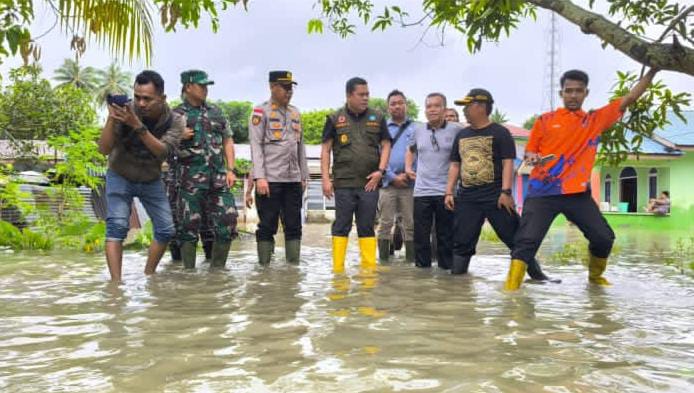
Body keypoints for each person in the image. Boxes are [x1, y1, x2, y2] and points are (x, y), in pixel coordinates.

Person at [505, 68, 659, 290]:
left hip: (577, 195)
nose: (573, 95)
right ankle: (510, 290)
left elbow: (630, 98)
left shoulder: (594, 121)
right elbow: (529, 153)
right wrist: (533, 157)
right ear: (562, 94)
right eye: (569, 91)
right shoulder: (545, 121)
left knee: (604, 237)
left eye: (578, 91)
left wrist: (653, 71)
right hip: (542, 193)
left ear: (586, 93)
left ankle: (595, 279)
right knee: (526, 242)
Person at [444, 88, 555, 281]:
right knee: (462, 241)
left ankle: (538, 277)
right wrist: (448, 192)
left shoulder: (500, 133)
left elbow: (508, 163)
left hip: (496, 197)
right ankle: (458, 281)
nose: (464, 111)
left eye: (467, 106)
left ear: (480, 107)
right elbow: (455, 165)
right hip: (467, 197)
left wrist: (506, 192)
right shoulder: (462, 135)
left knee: (515, 237)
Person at [98, 70, 183, 282]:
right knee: (116, 227)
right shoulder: (125, 111)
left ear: (162, 98)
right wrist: (111, 118)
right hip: (120, 174)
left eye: (147, 98)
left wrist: (136, 125)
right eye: (137, 97)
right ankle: (116, 286)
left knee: (166, 229)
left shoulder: (175, 120)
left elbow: (162, 152)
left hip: (150, 179)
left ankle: (148, 276)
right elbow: (104, 149)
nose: (141, 103)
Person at [321, 77, 392, 272]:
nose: (366, 98)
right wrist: (326, 179)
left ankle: (368, 273)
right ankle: (338, 272)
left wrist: (381, 171)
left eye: (367, 94)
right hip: (343, 183)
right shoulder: (334, 118)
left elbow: (386, 145)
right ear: (349, 95)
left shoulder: (377, 117)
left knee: (366, 226)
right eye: (361, 94)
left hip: (369, 183)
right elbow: (326, 150)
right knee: (341, 225)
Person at [173, 70, 238, 269]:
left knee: (227, 222)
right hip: (189, 181)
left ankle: (218, 273)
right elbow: (161, 145)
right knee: (188, 228)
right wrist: (178, 135)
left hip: (218, 179)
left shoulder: (216, 112)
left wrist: (230, 169)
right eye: (201, 86)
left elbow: (228, 140)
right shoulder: (175, 115)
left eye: (206, 86)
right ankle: (189, 274)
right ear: (188, 87)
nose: (205, 90)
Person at [249, 71, 309, 264]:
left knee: (294, 226)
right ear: (272, 87)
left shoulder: (295, 112)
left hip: (292, 180)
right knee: (267, 225)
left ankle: (293, 271)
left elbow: (301, 146)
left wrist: (303, 176)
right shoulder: (260, 112)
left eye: (291, 88)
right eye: (284, 87)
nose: (289, 92)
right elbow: (256, 145)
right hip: (270, 179)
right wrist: (260, 177)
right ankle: (264, 270)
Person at [405, 93, 462, 269]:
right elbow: (410, 149)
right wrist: (408, 168)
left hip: (446, 192)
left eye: (436, 106)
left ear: (444, 109)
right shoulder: (418, 130)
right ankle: (422, 276)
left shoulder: (456, 130)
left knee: (445, 236)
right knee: (421, 237)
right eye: (429, 106)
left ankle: (446, 275)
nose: (432, 110)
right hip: (422, 191)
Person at [376, 89, 418, 263]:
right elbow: (377, 157)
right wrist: (392, 177)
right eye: (393, 104)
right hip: (388, 184)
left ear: (406, 105)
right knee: (385, 224)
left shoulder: (417, 128)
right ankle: (384, 263)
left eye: (400, 103)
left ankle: (411, 264)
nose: (397, 106)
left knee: (411, 225)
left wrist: (409, 175)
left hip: (410, 185)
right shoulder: (381, 129)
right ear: (388, 108)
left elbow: (421, 155)